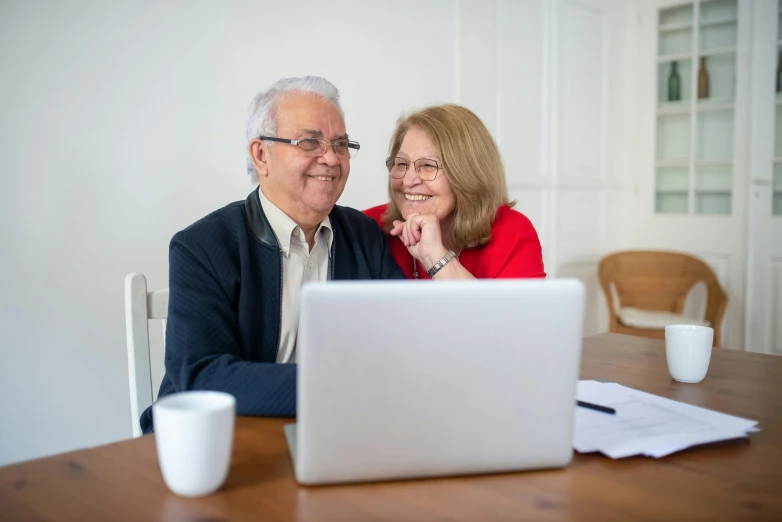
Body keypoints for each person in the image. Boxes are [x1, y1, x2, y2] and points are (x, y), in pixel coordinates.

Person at [140, 76, 405, 434]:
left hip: (336, 433)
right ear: (261, 155)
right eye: (309, 141)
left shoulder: (364, 236)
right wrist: (336, 387)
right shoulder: (202, 246)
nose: (331, 158)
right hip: (220, 441)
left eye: (341, 145)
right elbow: (202, 374)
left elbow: (407, 343)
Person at [364, 104, 546, 280]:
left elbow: (512, 313)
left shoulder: (511, 234)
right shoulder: (365, 229)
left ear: (468, 174)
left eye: (428, 165)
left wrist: (434, 256)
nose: (408, 180)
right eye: (401, 164)